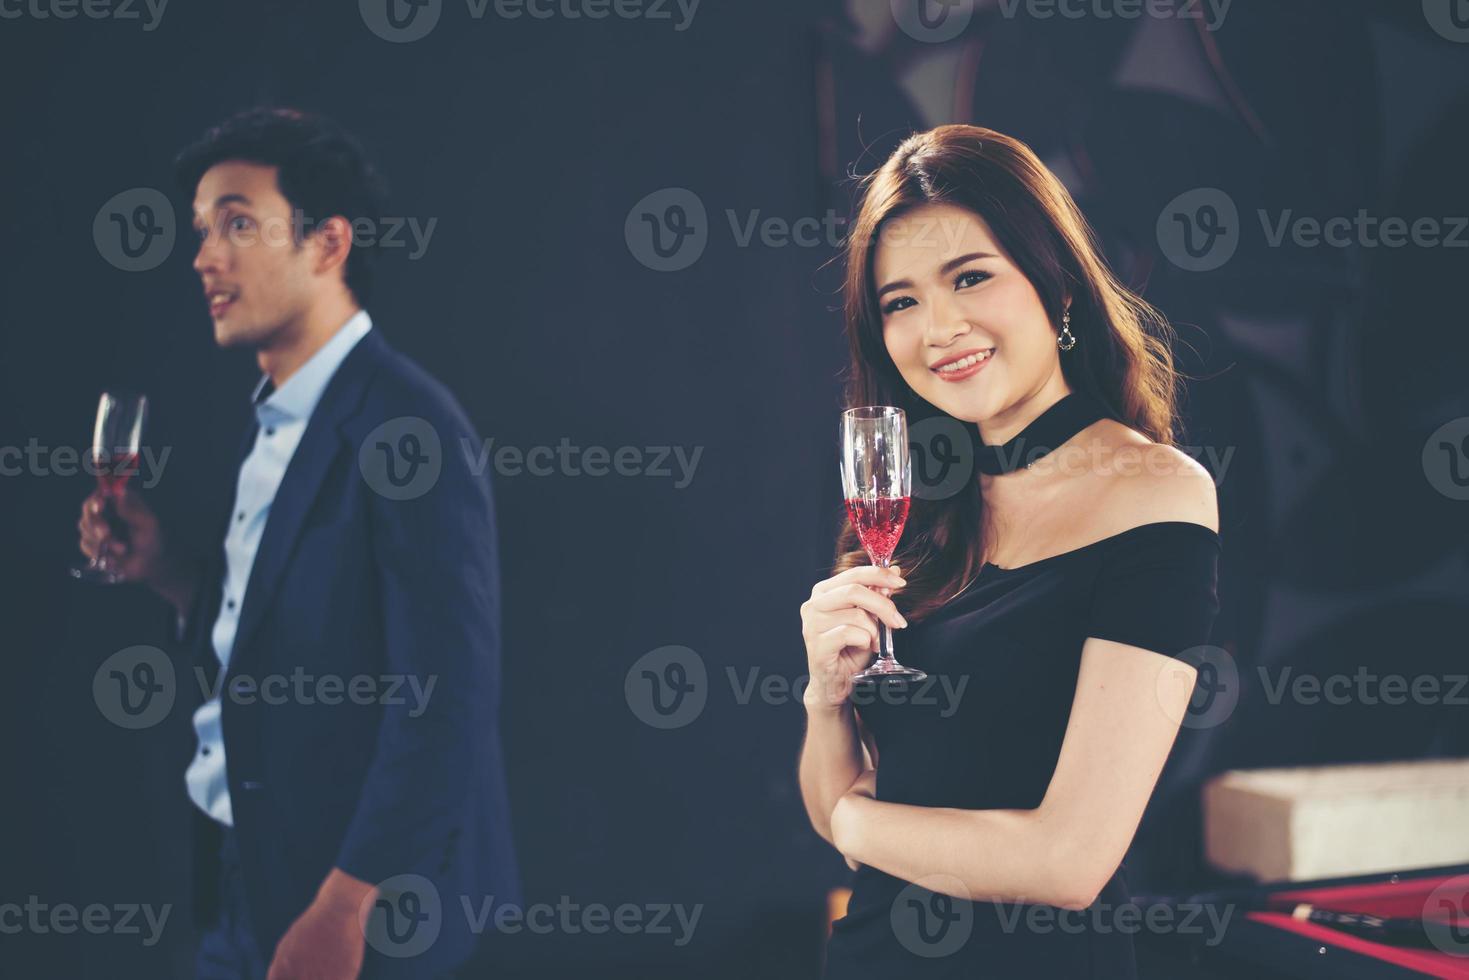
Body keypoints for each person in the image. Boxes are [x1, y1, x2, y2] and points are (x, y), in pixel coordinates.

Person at [77, 107, 519, 979]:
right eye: (202, 230)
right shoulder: (280, 416)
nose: (204, 256)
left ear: (327, 244)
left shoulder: (404, 425)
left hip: (367, 911)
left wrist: (346, 902)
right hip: (248, 883)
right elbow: (285, 630)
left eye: (238, 222)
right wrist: (165, 570)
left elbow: (445, 700)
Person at [799, 125, 1221, 978]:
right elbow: (838, 794)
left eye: (970, 278)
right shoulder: (912, 508)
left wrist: (853, 824)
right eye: (900, 301)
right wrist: (824, 699)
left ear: (1055, 281)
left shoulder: (1155, 491)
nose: (939, 326)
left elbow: (1067, 863)